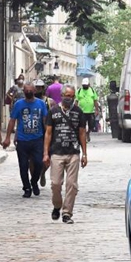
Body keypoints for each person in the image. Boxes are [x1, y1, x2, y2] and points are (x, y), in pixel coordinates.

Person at [43, 85, 88, 224]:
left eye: (72, 96)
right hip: (56, 152)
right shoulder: (54, 111)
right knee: (56, 184)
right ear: (62, 96)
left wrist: (84, 154)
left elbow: (82, 133)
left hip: (73, 152)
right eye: (67, 96)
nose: (69, 98)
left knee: (72, 185)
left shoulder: (78, 112)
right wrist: (46, 153)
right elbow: (48, 133)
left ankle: (67, 212)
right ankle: (57, 205)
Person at [2, 82, 48, 198]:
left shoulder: (41, 104)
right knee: (23, 166)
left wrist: (49, 137)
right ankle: (27, 187)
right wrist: (8, 137)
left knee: (38, 163)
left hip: (37, 139)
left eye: (30, 90)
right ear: (23, 91)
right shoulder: (19, 104)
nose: (28, 92)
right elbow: (12, 121)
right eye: (26, 90)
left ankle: (34, 181)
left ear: (34, 91)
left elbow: (45, 121)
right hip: (22, 140)